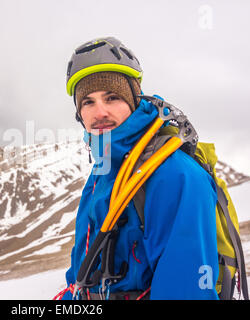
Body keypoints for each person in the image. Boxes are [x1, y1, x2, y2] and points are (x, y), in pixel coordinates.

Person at [59, 37, 219, 300]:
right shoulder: (104, 172)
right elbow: (81, 275)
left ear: (134, 100)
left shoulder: (175, 176)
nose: (100, 112)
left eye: (111, 97)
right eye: (87, 102)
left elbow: (185, 291)